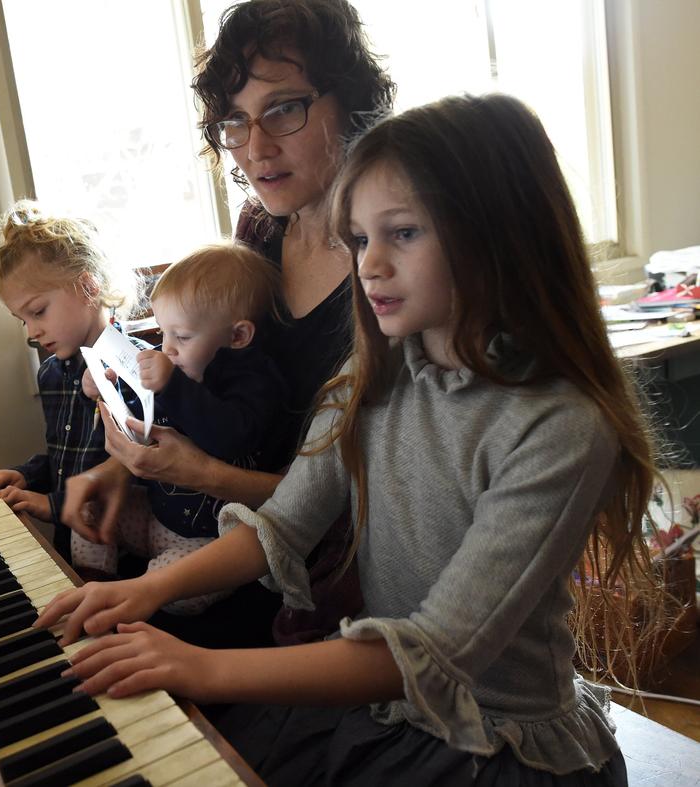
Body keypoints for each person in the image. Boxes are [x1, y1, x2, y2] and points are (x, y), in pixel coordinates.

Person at [36, 94, 673, 785]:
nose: (370, 265)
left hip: (497, 746)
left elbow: (431, 651)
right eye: (361, 240)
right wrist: (146, 591)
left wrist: (200, 667)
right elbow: (281, 526)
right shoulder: (368, 377)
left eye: (403, 233)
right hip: (389, 707)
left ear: (499, 233)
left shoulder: (561, 425)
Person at [66, 0, 396, 645]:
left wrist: (200, 474)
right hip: (231, 536)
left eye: (284, 108)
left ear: (352, 103)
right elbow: (213, 378)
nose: (256, 148)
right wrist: (123, 469)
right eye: (235, 122)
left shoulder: (392, 270)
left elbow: (368, 502)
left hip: (332, 586)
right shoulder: (259, 232)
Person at [71, 243, 287, 614]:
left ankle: (122, 608)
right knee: (92, 511)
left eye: (182, 337)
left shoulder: (255, 382)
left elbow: (230, 437)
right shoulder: (183, 362)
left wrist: (172, 384)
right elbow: (146, 411)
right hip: (156, 516)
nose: (167, 349)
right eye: (163, 334)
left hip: (210, 538)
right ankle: (94, 589)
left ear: (238, 337)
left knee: (174, 591)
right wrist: (108, 385)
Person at [0, 199, 141, 562]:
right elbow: (64, 458)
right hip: (73, 554)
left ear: (88, 287)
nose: (31, 331)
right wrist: (26, 476)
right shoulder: (51, 373)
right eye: (23, 320)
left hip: (128, 560)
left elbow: (142, 475)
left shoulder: (137, 367)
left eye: (38, 311)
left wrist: (51, 504)